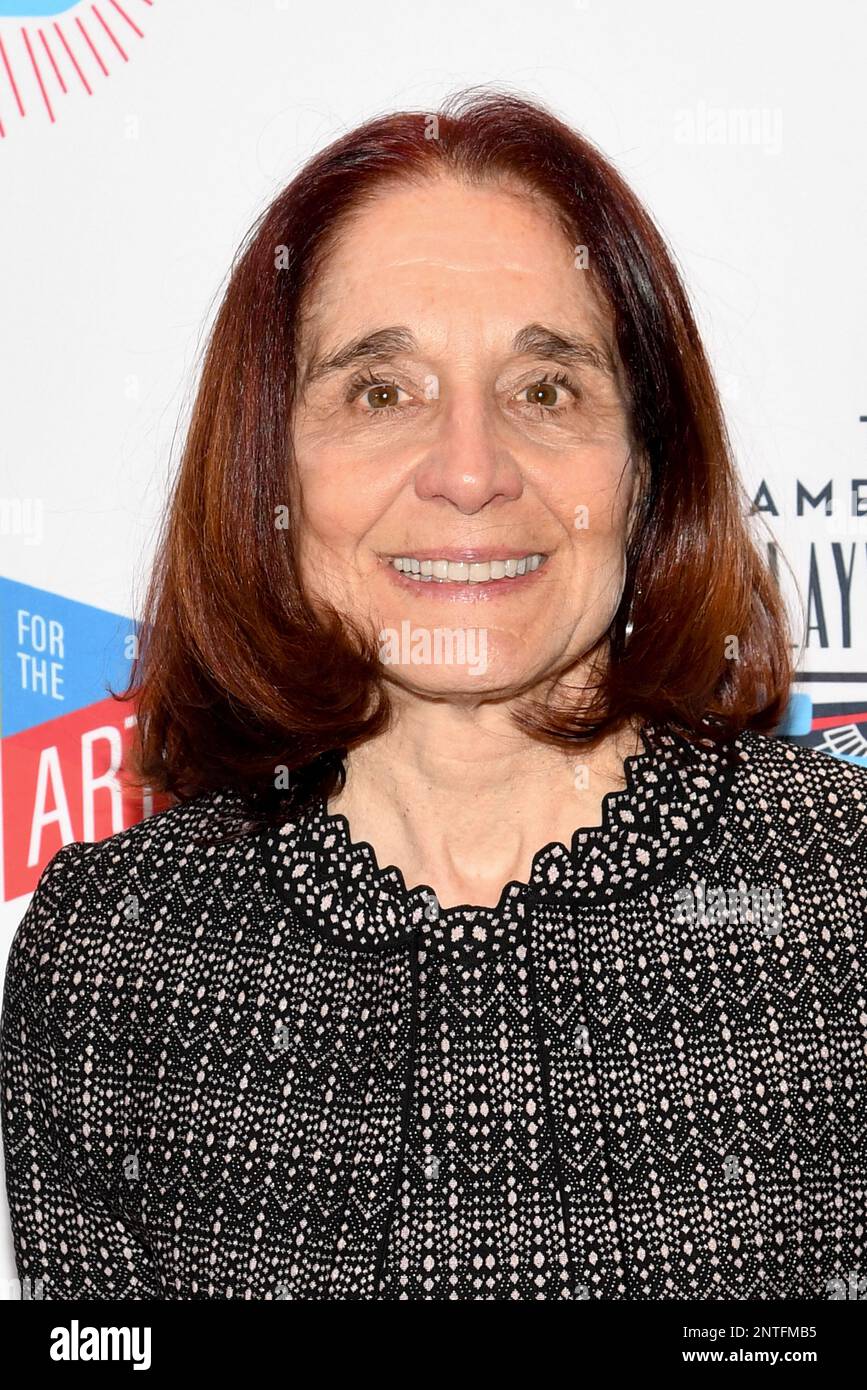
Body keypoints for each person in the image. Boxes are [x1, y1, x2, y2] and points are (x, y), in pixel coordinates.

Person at [2, 87, 865, 1301]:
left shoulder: (841, 896)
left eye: (545, 389)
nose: (470, 471)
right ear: (270, 467)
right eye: (382, 392)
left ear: (647, 465)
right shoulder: (117, 958)